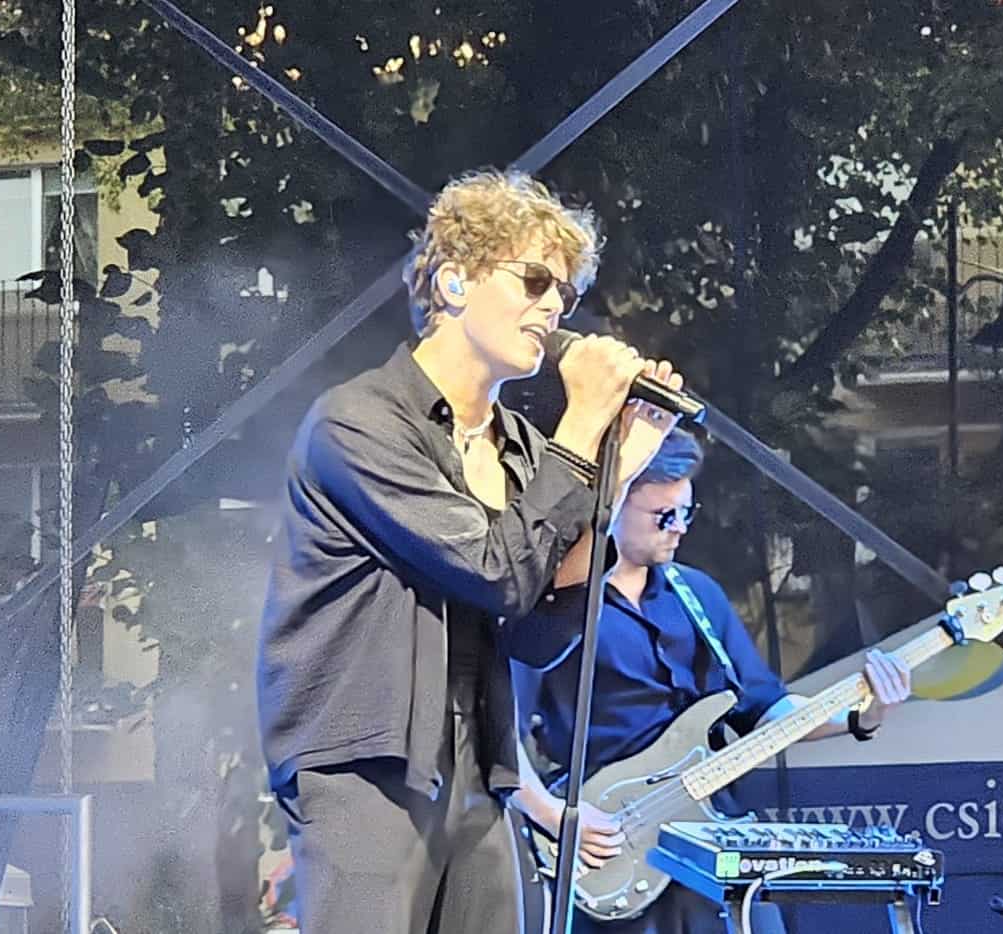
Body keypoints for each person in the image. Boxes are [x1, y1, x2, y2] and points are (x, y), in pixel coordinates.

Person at [256, 169, 685, 934]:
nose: (554, 307)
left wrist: (618, 471)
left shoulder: (521, 448)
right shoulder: (357, 423)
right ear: (454, 282)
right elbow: (493, 569)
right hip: (367, 764)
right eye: (534, 279)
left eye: (565, 294)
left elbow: (537, 628)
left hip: (480, 764)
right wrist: (584, 424)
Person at [508, 430, 913, 934]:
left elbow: (764, 709)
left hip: (705, 833)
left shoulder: (697, 594)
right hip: (605, 844)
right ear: (612, 504)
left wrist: (860, 717)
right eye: (664, 516)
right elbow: (499, 729)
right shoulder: (552, 604)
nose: (679, 529)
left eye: (687, 512)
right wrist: (554, 815)